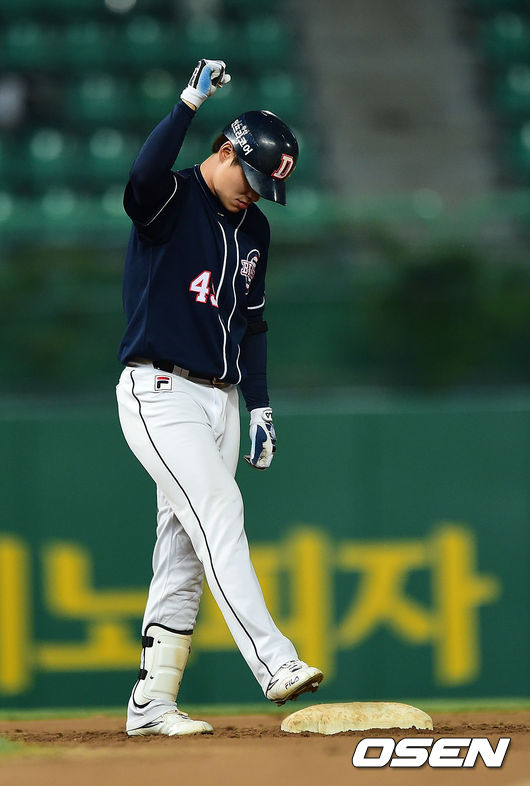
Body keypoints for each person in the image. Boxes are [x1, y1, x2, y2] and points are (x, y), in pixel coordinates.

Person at [115, 59, 323, 737]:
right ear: (228, 152)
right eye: (253, 179)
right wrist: (187, 104)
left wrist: (259, 404)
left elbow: (251, 324)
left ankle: (152, 703)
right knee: (219, 512)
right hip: (160, 388)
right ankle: (275, 661)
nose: (256, 195)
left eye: (268, 188)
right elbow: (141, 178)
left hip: (221, 400)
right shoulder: (171, 199)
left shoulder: (254, 230)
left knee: (182, 553)